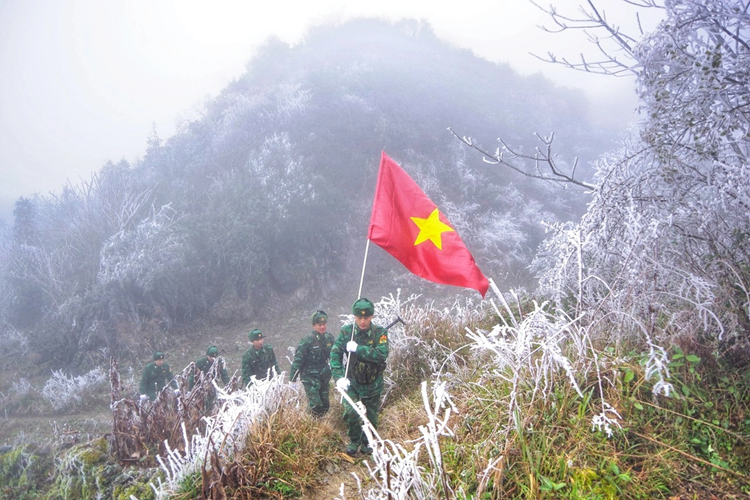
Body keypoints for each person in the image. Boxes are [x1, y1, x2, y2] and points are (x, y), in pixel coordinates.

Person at [330, 298, 389, 456]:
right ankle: (354, 440)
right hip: (352, 382)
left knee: (371, 415)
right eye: (359, 317)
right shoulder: (347, 332)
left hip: (373, 383)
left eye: (366, 317)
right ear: (354, 316)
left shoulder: (380, 333)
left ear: (372, 316)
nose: (362, 321)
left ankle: (367, 442)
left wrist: (358, 349)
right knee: (351, 412)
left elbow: (381, 354)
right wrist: (339, 377)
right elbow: (335, 355)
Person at [290, 310, 335, 417]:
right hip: (310, 376)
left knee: (325, 406)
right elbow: (298, 360)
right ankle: (307, 422)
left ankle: (320, 425)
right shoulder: (307, 340)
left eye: (324, 324)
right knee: (315, 405)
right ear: (314, 325)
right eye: (320, 325)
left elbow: (335, 356)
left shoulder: (330, 338)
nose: (323, 327)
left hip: (324, 376)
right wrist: (292, 380)